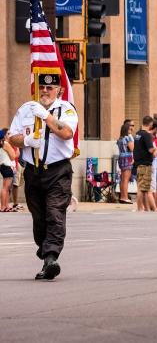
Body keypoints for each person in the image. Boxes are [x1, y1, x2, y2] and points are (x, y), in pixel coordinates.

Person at [7, 71, 78, 280]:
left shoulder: (66, 109)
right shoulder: (26, 110)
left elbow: (67, 133)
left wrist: (46, 116)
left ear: (60, 90)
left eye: (50, 87)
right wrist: (28, 140)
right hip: (33, 172)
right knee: (39, 219)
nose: (45, 91)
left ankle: (51, 258)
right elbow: (12, 137)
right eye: (42, 87)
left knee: (54, 213)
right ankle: (46, 248)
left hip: (58, 171)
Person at [132, 116, 157, 211]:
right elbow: (151, 150)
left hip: (138, 164)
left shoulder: (138, 134)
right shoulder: (146, 135)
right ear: (150, 124)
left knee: (145, 188)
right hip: (145, 164)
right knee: (142, 189)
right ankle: (140, 208)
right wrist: (156, 150)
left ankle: (146, 208)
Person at [116, 121, 135, 204]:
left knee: (123, 179)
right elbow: (132, 148)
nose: (131, 130)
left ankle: (122, 196)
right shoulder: (128, 138)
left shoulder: (120, 138)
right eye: (130, 129)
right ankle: (125, 197)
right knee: (126, 179)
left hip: (121, 157)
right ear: (127, 130)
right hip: (128, 158)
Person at [0, 128, 15, 212]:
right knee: (5, 188)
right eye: (8, 134)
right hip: (7, 166)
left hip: (2, 166)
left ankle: (5, 206)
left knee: (5, 187)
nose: (10, 135)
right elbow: (13, 157)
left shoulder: (1, 144)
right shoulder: (5, 144)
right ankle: (3, 207)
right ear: (5, 135)